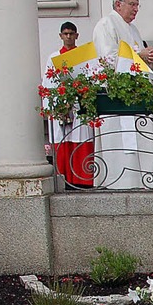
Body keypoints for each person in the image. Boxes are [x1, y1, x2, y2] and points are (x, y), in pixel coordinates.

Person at [93, 0, 153, 189]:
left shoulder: (133, 30)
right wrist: (140, 55)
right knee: (120, 148)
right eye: (132, 4)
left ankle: (143, 181)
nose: (136, 9)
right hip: (116, 97)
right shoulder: (106, 24)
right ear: (118, 4)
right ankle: (118, 183)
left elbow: (138, 58)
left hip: (136, 95)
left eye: (137, 5)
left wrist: (148, 60)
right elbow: (108, 59)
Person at [42, 22, 93, 188]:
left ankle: (82, 179)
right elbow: (48, 83)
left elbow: (91, 76)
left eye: (71, 33)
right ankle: (65, 179)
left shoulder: (84, 55)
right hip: (62, 106)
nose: (68, 36)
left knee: (81, 138)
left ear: (77, 35)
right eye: (65, 34)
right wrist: (54, 106)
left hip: (80, 105)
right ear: (60, 36)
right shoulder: (54, 57)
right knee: (62, 139)